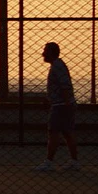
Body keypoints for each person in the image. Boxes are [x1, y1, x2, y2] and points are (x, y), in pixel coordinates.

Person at [35, 42, 79, 171]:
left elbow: (64, 85)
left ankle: (49, 162)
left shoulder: (57, 66)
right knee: (67, 133)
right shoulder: (58, 65)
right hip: (63, 104)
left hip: (61, 106)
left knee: (54, 132)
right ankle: (74, 161)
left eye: (45, 51)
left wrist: (65, 104)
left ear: (51, 52)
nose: (43, 54)